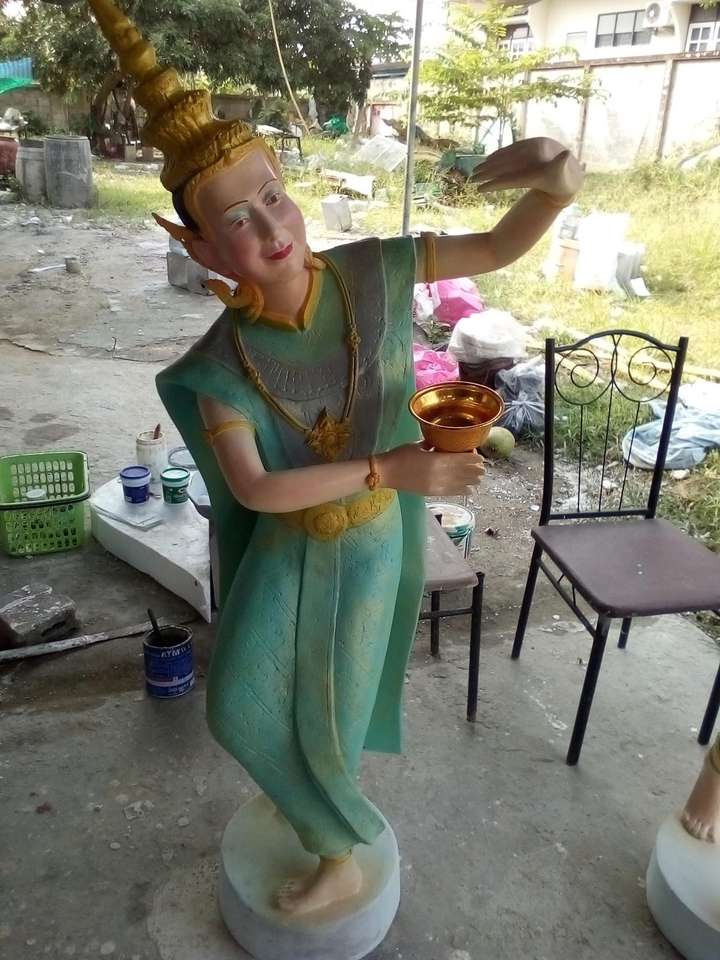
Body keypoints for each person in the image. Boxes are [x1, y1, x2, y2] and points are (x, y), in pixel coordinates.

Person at [85, 0, 582, 918]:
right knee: (240, 704)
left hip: (370, 545)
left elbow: (498, 245)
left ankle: (334, 850)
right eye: (236, 218)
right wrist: (390, 470)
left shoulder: (372, 272)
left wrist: (556, 182)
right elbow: (255, 488)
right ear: (201, 247)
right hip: (295, 540)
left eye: (272, 194)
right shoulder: (221, 363)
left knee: (339, 704)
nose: (269, 226)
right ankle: (327, 822)